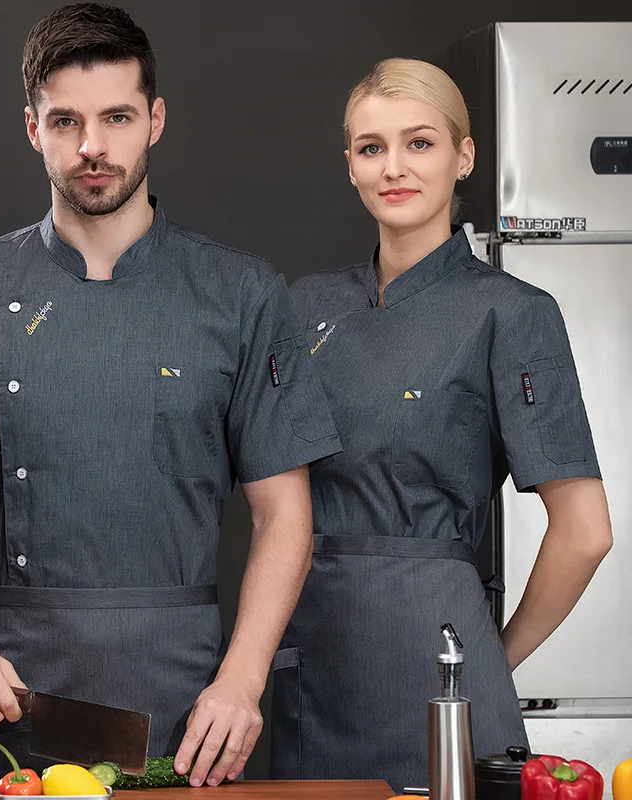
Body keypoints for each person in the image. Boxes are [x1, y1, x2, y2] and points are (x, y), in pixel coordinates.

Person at [0, 3, 341, 784]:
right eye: (65, 122)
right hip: (12, 696)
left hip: (186, 706)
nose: (92, 147)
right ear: (31, 127)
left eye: (116, 117)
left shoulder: (241, 292)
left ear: (155, 119)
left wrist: (242, 679)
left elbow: (285, 513)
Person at [269, 58, 613, 790]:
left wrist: (494, 655)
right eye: (371, 148)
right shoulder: (304, 310)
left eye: (419, 143)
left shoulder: (513, 313)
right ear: (350, 166)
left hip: (441, 666)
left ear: (464, 157)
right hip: (313, 662)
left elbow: (585, 532)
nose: (394, 167)